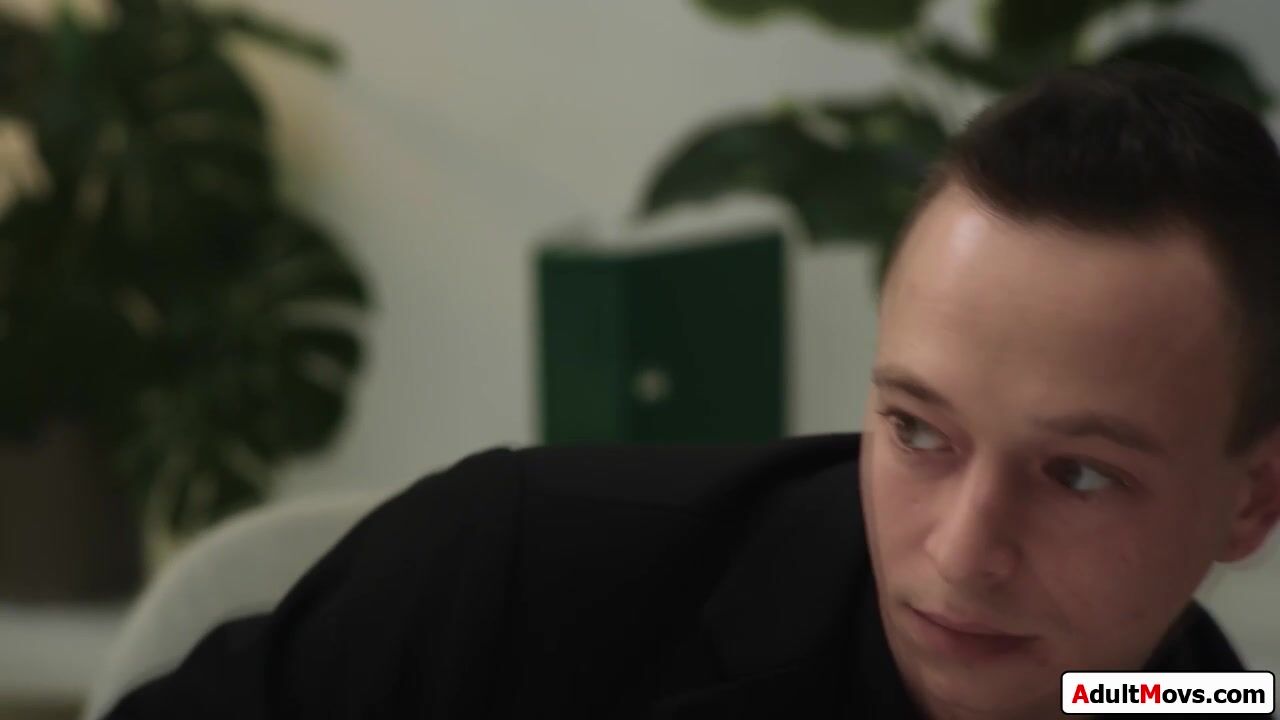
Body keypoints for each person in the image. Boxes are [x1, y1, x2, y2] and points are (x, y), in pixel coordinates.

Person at [102, 62, 1280, 719]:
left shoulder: (1183, 700)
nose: (963, 553)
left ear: (1249, 501)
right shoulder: (515, 564)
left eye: (1078, 475)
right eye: (917, 430)